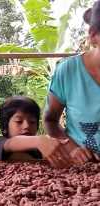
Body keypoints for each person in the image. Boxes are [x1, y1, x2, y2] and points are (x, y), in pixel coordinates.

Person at [43, 0, 100, 166]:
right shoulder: (68, 70)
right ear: (92, 35)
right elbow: (50, 120)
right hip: (81, 169)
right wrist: (74, 150)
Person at [0, 96, 71, 167]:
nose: (27, 126)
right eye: (19, 121)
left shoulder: (38, 150)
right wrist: (39, 141)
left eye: (32, 122)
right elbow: (11, 143)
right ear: (4, 127)